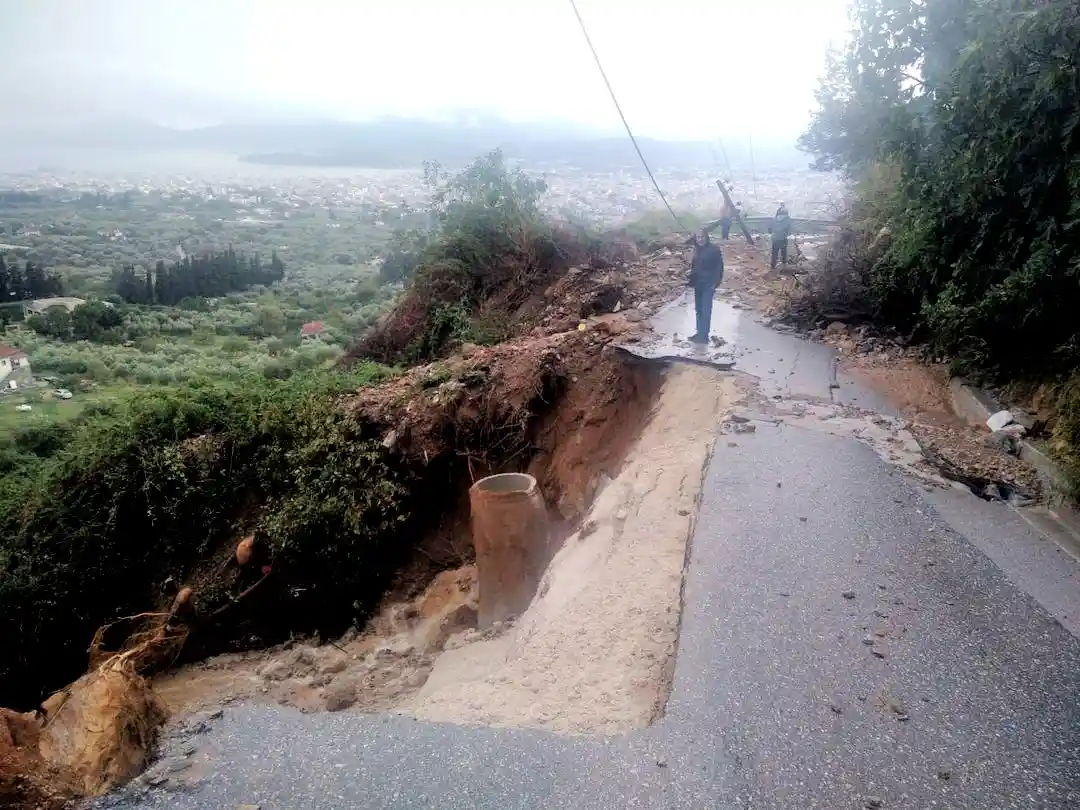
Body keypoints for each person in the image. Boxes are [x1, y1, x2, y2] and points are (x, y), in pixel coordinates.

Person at [688, 227, 725, 344]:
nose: (700, 240)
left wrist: (716, 282)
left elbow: (719, 268)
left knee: (706, 310)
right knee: (699, 309)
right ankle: (699, 333)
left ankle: (704, 336)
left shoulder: (714, 250)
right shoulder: (697, 250)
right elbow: (695, 267)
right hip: (698, 284)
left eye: (702, 237)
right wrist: (690, 278)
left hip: (708, 284)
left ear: (706, 237)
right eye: (698, 237)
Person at [769, 202, 792, 270]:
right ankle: (784, 265)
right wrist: (786, 233)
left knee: (774, 253)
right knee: (784, 252)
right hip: (783, 238)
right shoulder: (788, 219)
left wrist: (773, 233)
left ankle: (773, 266)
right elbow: (789, 230)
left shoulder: (774, 218)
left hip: (775, 238)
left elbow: (770, 229)